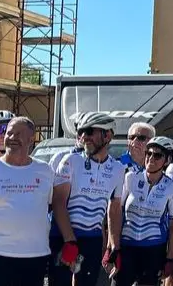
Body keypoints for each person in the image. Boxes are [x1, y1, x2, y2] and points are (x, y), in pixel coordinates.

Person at [0, 116, 61, 286]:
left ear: (32, 139)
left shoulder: (45, 172)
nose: (11, 138)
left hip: (34, 258)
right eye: (9, 133)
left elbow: (53, 207)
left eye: (18, 134)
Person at [49, 111, 126, 286]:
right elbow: (59, 203)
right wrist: (69, 240)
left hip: (92, 238)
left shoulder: (118, 169)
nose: (84, 137)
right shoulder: (70, 160)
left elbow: (114, 209)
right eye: (81, 132)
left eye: (90, 131)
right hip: (63, 235)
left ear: (108, 135)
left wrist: (115, 246)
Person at [112, 136, 173, 286]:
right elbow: (115, 212)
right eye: (148, 153)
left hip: (153, 249)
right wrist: (112, 246)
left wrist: (170, 258)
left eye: (157, 155)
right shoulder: (130, 178)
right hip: (127, 247)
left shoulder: (172, 187)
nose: (151, 158)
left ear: (167, 160)